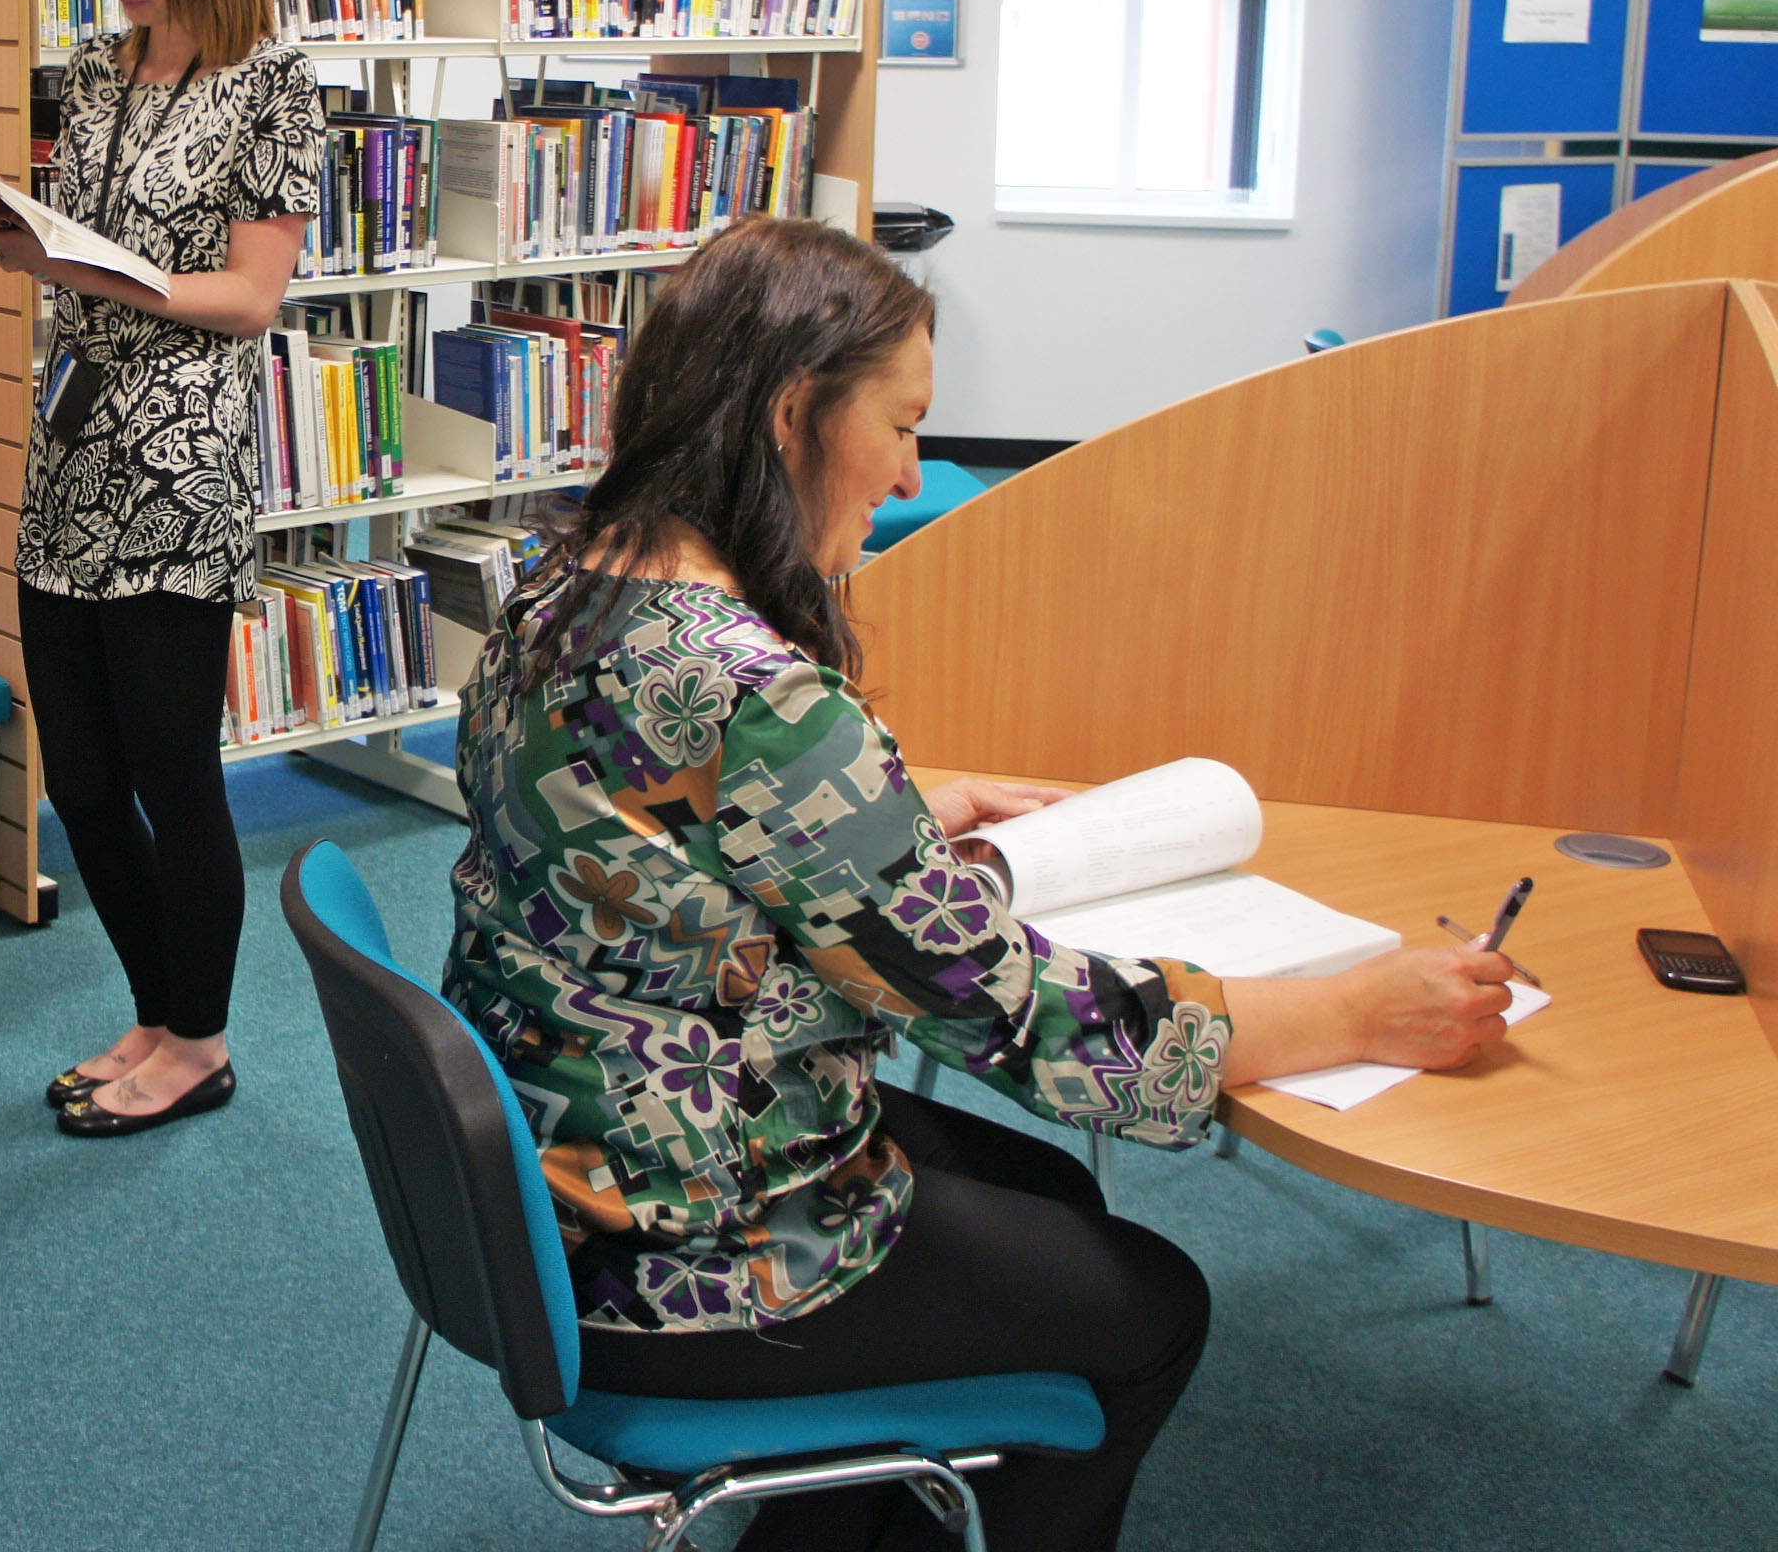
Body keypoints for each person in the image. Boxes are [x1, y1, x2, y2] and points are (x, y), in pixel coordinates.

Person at [441, 216, 1519, 1552]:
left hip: (568, 1165)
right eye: (899, 428)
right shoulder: (749, 692)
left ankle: (839, 1513)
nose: (906, 474)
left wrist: (881, 826)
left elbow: (627, 840)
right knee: (1153, 1311)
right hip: (685, 1250)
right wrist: (1357, 1014)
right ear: (792, 414)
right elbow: (1035, 1030)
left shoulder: (566, 591)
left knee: (1047, 1198)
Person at [0, 0, 325, 1139]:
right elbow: (78, 232)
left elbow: (252, 297)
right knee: (79, 772)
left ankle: (200, 1040)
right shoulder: (95, 70)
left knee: (171, 768)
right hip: (72, 444)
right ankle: (155, 1010)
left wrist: (65, 266)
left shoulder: (274, 85)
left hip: (180, 461)